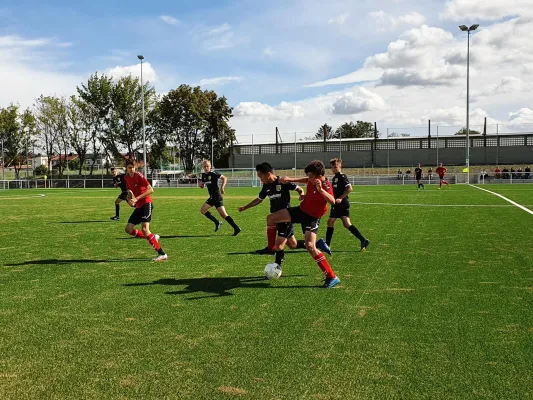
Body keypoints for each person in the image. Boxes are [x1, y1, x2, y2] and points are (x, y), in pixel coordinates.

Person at [266, 160, 341, 289]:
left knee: (310, 247)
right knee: (271, 218)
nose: (309, 179)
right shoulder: (311, 179)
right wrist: (290, 179)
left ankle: (332, 277)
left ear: (319, 175)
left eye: (311, 176)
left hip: (312, 218)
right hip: (301, 211)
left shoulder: (326, 184)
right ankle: (271, 247)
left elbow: (333, 201)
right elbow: (306, 180)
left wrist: (320, 190)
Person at [238, 162, 331, 256]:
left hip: (286, 216)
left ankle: (271, 250)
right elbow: (259, 199)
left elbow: (299, 188)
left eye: (261, 177)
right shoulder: (266, 186)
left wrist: (301, 194)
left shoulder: (282, 182)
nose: (260, 179)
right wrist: (245, 207)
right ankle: (317, 244)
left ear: (268, 174)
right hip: (278, 216)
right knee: (292, 244)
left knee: (276, 234)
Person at [123, 159, 167, 262]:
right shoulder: (126, 177)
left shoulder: (139, 176)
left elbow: (151, 189)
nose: (132, 169)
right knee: (128, 229)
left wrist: (136, 198)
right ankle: (152, 237)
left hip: (147, 204)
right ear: (126, 168)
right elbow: (130, 191)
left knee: (144, 229)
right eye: (129, 167)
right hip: (138, 206)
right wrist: (130, 199)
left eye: (133, 167)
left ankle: (162, 254)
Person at [325, 158, 369, 251]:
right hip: (336, 204)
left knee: (337, 222)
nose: (333, 169)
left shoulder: (342, 176)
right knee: (338, 223)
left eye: (335, 167)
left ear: (340, 166)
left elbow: (349, 188)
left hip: (342, 203)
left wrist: (340, 198)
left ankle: (327, 245)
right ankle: (363, 240)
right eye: (332, 167)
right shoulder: (335, 177)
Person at [199, 160, 241, 236]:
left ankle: (217, 222)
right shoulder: (203, 175)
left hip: (215, 196)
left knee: (202, 210)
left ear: (210, 166)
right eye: (204, 166)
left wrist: (222, 187)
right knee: (224, 215)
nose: (206, 168)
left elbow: (224, 178)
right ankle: (236, 228)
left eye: (207, 166)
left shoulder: (213, 173)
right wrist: (201, 185)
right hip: (217, 197)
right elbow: (202, 183)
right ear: (203, 167)